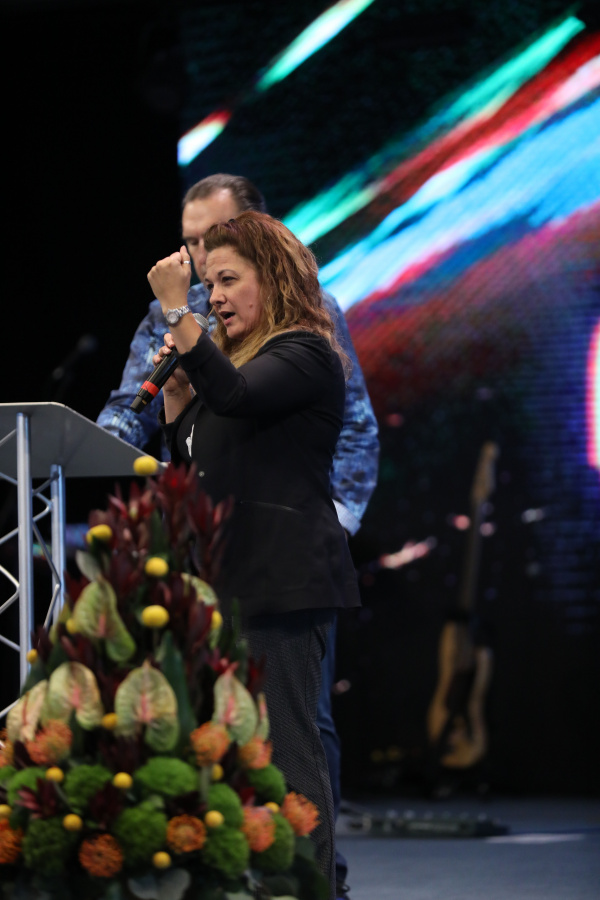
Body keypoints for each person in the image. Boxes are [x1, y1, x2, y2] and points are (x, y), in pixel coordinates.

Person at [97, 174, 379, 898]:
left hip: (282, 581)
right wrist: (175, 402)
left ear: (272, 278)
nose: (213, 295)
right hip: (223, 581)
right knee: (228, 753)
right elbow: (200, 452)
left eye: (227, 281)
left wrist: (177, 314)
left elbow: (239, 397)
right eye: (208, 282)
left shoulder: (305, 350)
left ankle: (313, 888)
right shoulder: (234, 357)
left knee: (290, 753)